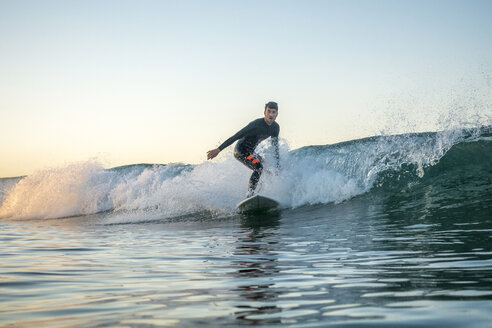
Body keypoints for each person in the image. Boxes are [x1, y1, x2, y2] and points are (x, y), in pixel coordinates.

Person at [207, 101, 280, 197]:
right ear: (264, 112)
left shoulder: (275, 128)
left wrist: (278, 165)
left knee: (266, 167)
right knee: (258, 167)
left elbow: (275, 147)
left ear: (276, 114)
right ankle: (250, 195)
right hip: (241, 150)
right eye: (268, 111)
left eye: (273, 112)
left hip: (251, 152)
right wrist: (218, 149)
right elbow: (236, 136)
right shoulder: (256, 125)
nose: (270, 114)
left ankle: (261, 193)